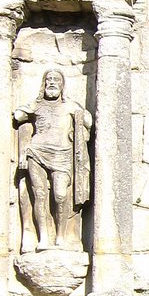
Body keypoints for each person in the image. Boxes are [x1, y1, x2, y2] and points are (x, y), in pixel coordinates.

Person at [14, 69, 92, 251]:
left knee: (60, 195)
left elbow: (88, 121)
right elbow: (18, 116)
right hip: (37, 151)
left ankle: (61, 236)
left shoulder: (71, 106)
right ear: (43, 83)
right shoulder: (37, 104)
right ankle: (43, 238)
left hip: (62, 154)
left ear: (62, 84)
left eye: (56, 79)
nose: (52, 82)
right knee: (39, 195)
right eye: (48, 79)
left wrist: (79, 113)